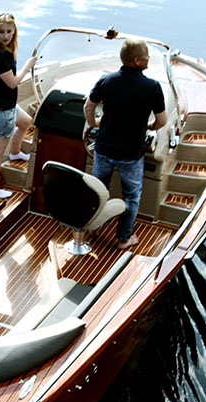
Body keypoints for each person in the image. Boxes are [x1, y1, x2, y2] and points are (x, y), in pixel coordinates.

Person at [83, 38, 167, 250]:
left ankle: (93, 228)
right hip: (131, 154)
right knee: (131, 196)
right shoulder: (152, 87)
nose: (149, 58)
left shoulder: (107, 80)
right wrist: (150, 127)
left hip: (103, 149)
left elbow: (88, 107)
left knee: (99, 190)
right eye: (147, 56)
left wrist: (93, 124)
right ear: (137, 60)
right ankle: (123, 238)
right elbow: (162, 120)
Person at [0, 12, 36, 199]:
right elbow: (13, 83)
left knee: (26, 121)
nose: (6, 35)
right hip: (2, 112)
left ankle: (15, 153)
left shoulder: (5, 50)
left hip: (7, 106)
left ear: (14, 30)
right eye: (1, 32)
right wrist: (27, 66)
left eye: (9, 31)